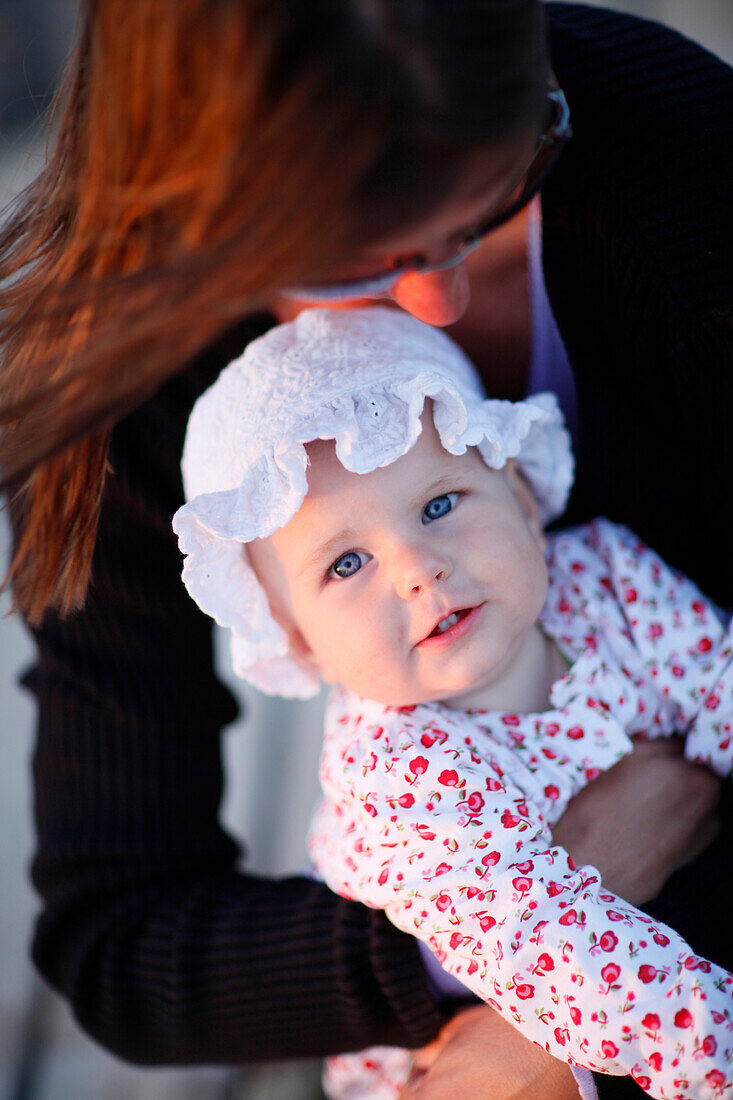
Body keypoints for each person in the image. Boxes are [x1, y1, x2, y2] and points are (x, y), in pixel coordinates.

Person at [0, 3, 731, 1098]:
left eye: (497, 194)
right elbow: (126, 944)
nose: (434, 300)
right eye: (346, 266)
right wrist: (509, 949)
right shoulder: (118, 403)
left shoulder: (674, 158)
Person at [173, 305, 733, 1100]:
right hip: (483, 1038)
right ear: (299, 644)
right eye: (346, 564)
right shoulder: (399, 767)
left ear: (518, 493)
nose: (416, 570)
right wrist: (715, 1047)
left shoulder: (603, 574)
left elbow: (720, 680)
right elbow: (564, 954)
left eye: (438, 505)